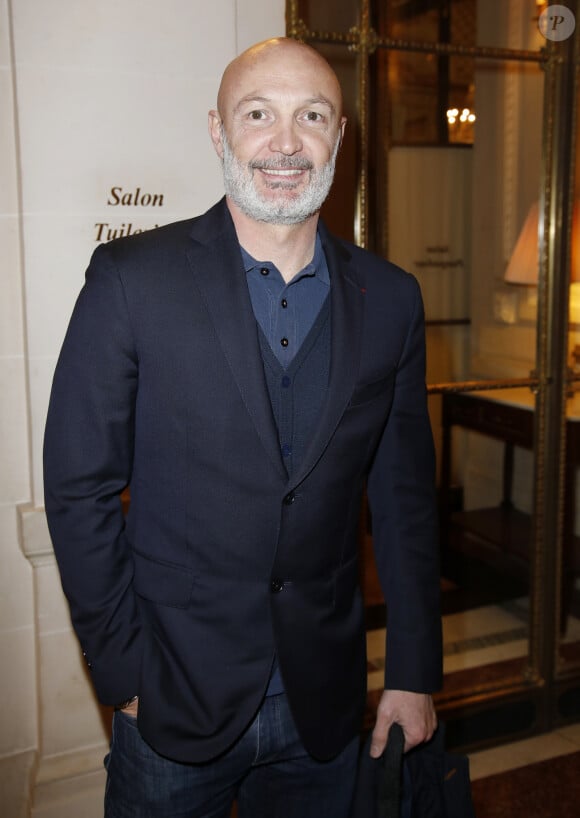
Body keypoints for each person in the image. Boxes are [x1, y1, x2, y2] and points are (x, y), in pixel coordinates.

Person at [43, 36, 442, 818]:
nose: (286, 142)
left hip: (324, 702)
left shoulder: (391, 299)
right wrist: (123, 675)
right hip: (170, 700)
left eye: (312, 115)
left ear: (339, 136)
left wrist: (412, 670)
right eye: (258, 114)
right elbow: (77, 486)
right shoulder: (131, 281)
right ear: (220, 133)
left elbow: (405, 504)